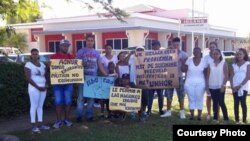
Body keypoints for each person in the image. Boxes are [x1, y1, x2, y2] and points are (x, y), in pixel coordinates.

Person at [76, 34, 107, 122]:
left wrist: (106, 74)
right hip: (82, 78)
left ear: (94, 42)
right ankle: (79, 115)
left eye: (91, 40)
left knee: (91, 98)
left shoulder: (96, 53)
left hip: (92, 79)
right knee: (81, 98)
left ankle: (89, 115)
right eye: (88, 40)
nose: (90, 42)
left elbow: (100, 65)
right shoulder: (80, 51)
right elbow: (76, 65)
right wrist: (77, 78)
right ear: (85, 41)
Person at [161, 37, 188, 119]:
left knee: (181, 95)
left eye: (177, 44)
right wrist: (167, 49)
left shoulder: (184, 54)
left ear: (179, 44)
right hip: (169, 77)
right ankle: (168, 111)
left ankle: (182, 112)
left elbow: (185, 69)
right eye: (174, 44)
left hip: (179, 76)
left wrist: (181, 60)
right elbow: (160, 59)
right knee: (168, 95)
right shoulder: (167, 52)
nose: (176, 46)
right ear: (172, 44)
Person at [50, 39, 75, 128]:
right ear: (60, 46)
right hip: (57, 84)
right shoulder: (54, 57)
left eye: (67, 46)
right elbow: (50, 68)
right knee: (58, 102)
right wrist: (48, 65)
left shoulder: (71, 57)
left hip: (68, 83)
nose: (66, 47)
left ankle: (67, 120)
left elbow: (76, 68)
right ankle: (58, 121)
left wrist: (81, 64)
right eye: (64, 45)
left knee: (68, 102)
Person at [24, 48, 50, 133]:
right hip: (34, 88)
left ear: (38, 55)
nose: (35, 55)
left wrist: (46, 84)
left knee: (40, 106)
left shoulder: (42, 64)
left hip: (43, 87)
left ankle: (40, 124)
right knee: (34, 106)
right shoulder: (28, 64)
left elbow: (45, 75)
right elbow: (28, 78)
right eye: (33, 54)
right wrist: (38, 87)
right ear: (31, 55)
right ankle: (33, 126)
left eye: (36, 54)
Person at [183, 47, 207, 120]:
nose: (196, 53)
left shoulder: (204, 61)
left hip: (201, 83)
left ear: (200, 53)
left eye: (198, 51)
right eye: (195, 52)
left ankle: (199, 116)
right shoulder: (189, 60)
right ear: (193, 53)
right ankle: (192, 115)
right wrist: (182, 62)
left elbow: (206, 73)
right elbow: (184, 70)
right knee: (191, 99)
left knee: (199, 98)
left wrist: (207, 84)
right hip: (189, 83)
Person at [206, 49, 229, 123]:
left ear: (220, 55)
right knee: (215, 102)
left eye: (217, 54)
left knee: (221, 102)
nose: (215, 55)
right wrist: (207, 87)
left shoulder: (223, 63)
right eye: (214, 54)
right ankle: (215, 118)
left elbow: (226, 75)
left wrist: (224, 85)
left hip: (220, 86)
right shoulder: (210, 64)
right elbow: (207, 76)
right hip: (212, 86)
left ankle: (226, 118)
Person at [128, 46, 148, 121]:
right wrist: (130, 54)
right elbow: (127, 63)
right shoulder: (132, 57)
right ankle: (133, 112)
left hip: (144, 81)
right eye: (138, 50)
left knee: (144, 98)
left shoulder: (147, 57)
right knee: (134, 98)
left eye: (142, 50)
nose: (140, 51)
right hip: (133, 81)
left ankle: (143, 112)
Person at [230, 48, 250, 124]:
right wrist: (232, 86)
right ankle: (237, 120)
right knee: (236, 103)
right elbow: (231, 76)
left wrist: (240, 86)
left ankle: (244, 120)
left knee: (243, 103)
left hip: (243, 86)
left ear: (244, 55)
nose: (239, 55)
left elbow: (248, 77)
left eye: (241, 54)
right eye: (237, 54)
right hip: (234, 86)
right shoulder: (233, 65)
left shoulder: (247, 64)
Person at [147, 40, 164, 116]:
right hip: (151, 78)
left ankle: (160, 110)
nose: (155, 46)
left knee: (160, 95)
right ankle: (149, 110)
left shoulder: (163, 55)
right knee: (150, 95)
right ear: (152, 46)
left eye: (157, 45)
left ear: (159, 46)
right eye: (154, 45)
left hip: (160, 78)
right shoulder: (148, 55)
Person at [203, 41, 218, 120]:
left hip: (218, 79)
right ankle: (209, 113)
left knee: (217, 98)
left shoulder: (220, 56)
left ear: (216, 47)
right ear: (209, 48)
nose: (212, 48)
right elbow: (204, 69)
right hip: (209, 79)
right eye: (211, 47)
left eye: (213, 47)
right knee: (209, 97)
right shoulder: (206, 58)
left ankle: (217, 114)